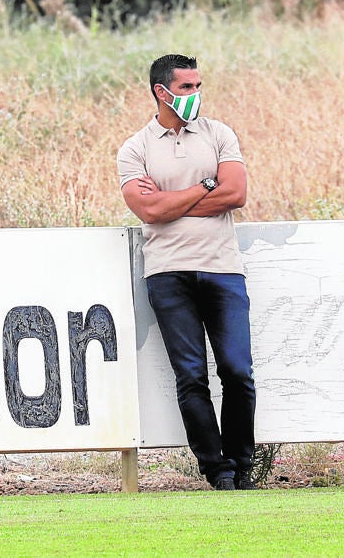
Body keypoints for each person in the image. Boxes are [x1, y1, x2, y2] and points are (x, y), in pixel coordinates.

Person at [117, 54, 256, 491]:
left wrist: (174, 200)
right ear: (162, 92)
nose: (195, 94)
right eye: (186, 88)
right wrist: (205, 186)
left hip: (222, 268)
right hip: (167, 272)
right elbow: (147, 210)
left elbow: (236, 193)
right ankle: (217, 471)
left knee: (237, 371)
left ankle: (242, 463)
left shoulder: (219, 134)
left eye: (198, 85)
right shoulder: (136, 147)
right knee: (191, 374)